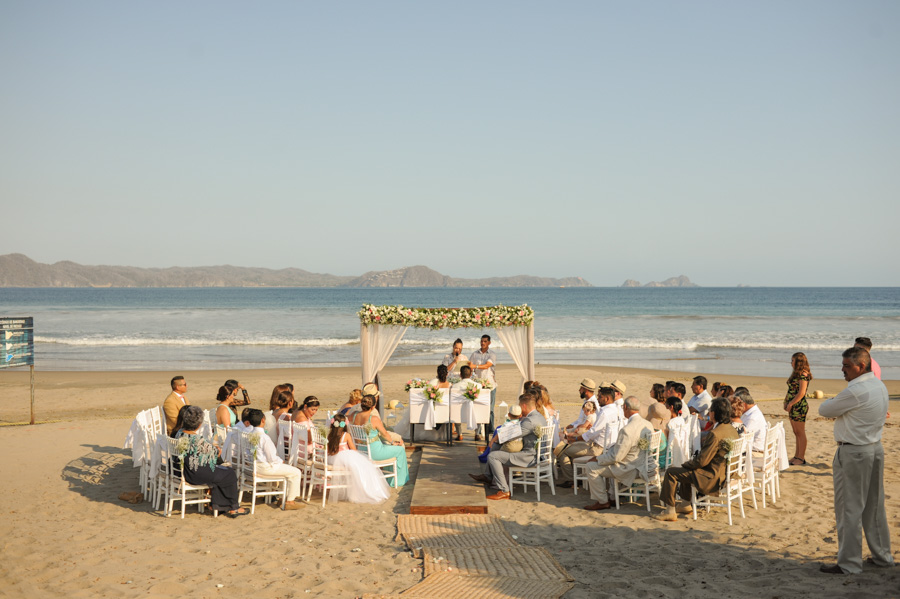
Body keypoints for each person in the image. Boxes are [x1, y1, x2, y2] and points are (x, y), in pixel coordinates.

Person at [818, 347, 893, 575]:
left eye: (846, 366)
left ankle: (849, 563)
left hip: (854, 452)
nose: (842, 370)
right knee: (874, 505)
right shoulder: (879, 385)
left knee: (849, 508)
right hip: (874, 448)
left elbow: (824, 408)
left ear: (861, 366)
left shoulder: (857, 390)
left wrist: (838, 404)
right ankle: (882, 556)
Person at [654, 397, 739, 522]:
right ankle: (685, 504)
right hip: (725, 472)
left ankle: (670, 511)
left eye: (710, 411)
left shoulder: (715, 434)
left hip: (712, 476)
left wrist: (688, 463)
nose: (709, 413)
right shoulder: (731, 429)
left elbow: (702, 461)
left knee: (672, 472)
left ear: (714, 413)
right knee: (686, 468)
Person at [468, 393, 547, 500]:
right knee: (496, 446)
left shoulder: (530, 421)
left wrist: (495, 438)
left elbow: (511, 435)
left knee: (493, 456)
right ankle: (488, 476)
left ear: (523, 406)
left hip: (529, 457)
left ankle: (504, 490)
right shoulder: (539, 416)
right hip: (536, 454)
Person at [172, 405, 246, 517]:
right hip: (194, 474)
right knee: (229, 473)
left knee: (221, 472)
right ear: (199, 424)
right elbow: (216, 455)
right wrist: (216, 449)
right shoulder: (197, 439)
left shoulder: (180, 433)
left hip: (183, 470)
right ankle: (233, 507)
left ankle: (217, 504)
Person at [583, 396, 654, 510]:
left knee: (591, 466)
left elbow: (616, 457)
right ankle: (612, 496)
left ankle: (602, 501)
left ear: (625, 407)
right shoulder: (647, 424)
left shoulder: (627, 430)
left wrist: (598, 458)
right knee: (606, 461)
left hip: (629, 468)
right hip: (643, 465)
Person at [556, 387, 618, 488]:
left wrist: (575, 438)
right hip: (609, 447)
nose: (597, 399)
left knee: (562, 451)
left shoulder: (605, 413)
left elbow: (592, 433)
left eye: (600, 397)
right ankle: (578, 477)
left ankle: (571, 480)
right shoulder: (616, 410)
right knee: (575, 444)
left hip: (597, 449)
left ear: (607, 399)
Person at [244, 409, 304, 510]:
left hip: (253, 466)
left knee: (286, 470)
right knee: (296, 472)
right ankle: (290, 500)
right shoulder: (264, 437)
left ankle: (282, 498)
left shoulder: (248, 435)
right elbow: (272, 458)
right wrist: (282, 461)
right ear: (263, 420)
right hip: (265, 468)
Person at [325, 413, 390, 504]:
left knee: (360, 465)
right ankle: (363, 490)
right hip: (344, 458)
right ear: (345, 424)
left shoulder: (329, 435)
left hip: (332, 459)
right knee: (364, 466)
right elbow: (353, 449)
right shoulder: (346, 435)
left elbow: (328, 450)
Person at [351, 395, 408, 487]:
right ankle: (397, 481)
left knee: (390, 448)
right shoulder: (374, 419)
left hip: (362, 450)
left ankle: (388, 479)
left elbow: (344, 419)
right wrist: (393, 443)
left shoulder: (353, 416)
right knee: (400, 450)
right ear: (373, 406)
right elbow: (385, 434)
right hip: (374, 452)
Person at [784, 352, 812, 466]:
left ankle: (801, 457)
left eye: (792, 360)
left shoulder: (803, 375)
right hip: (792, 405)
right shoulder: (796, 374)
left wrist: (791, 403)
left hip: (799, 406)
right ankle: (796, 456)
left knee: (800, 432)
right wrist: (786, 402)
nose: (791, 363)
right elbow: (791, 390)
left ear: (798, 362)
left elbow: (801, 393)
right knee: (796, 432)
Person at [469, 334, 497, 439]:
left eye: (485, 341)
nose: (483, 343)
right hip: (477, 385)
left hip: (490, 385)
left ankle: (490, 429)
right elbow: (469, 366)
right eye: (481, 341)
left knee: (491, 409)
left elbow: (487, 366)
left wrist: (475, 366)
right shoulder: (474, 354)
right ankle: (478, 432)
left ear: (489, 342)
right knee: (477, 408)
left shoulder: (492, 354)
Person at [737, 389, 767, 453]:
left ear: (743, 404)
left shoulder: (752, 417)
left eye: (737, 405)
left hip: (754, 451)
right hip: (751, 447)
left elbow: (743, 439)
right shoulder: (752, 412)